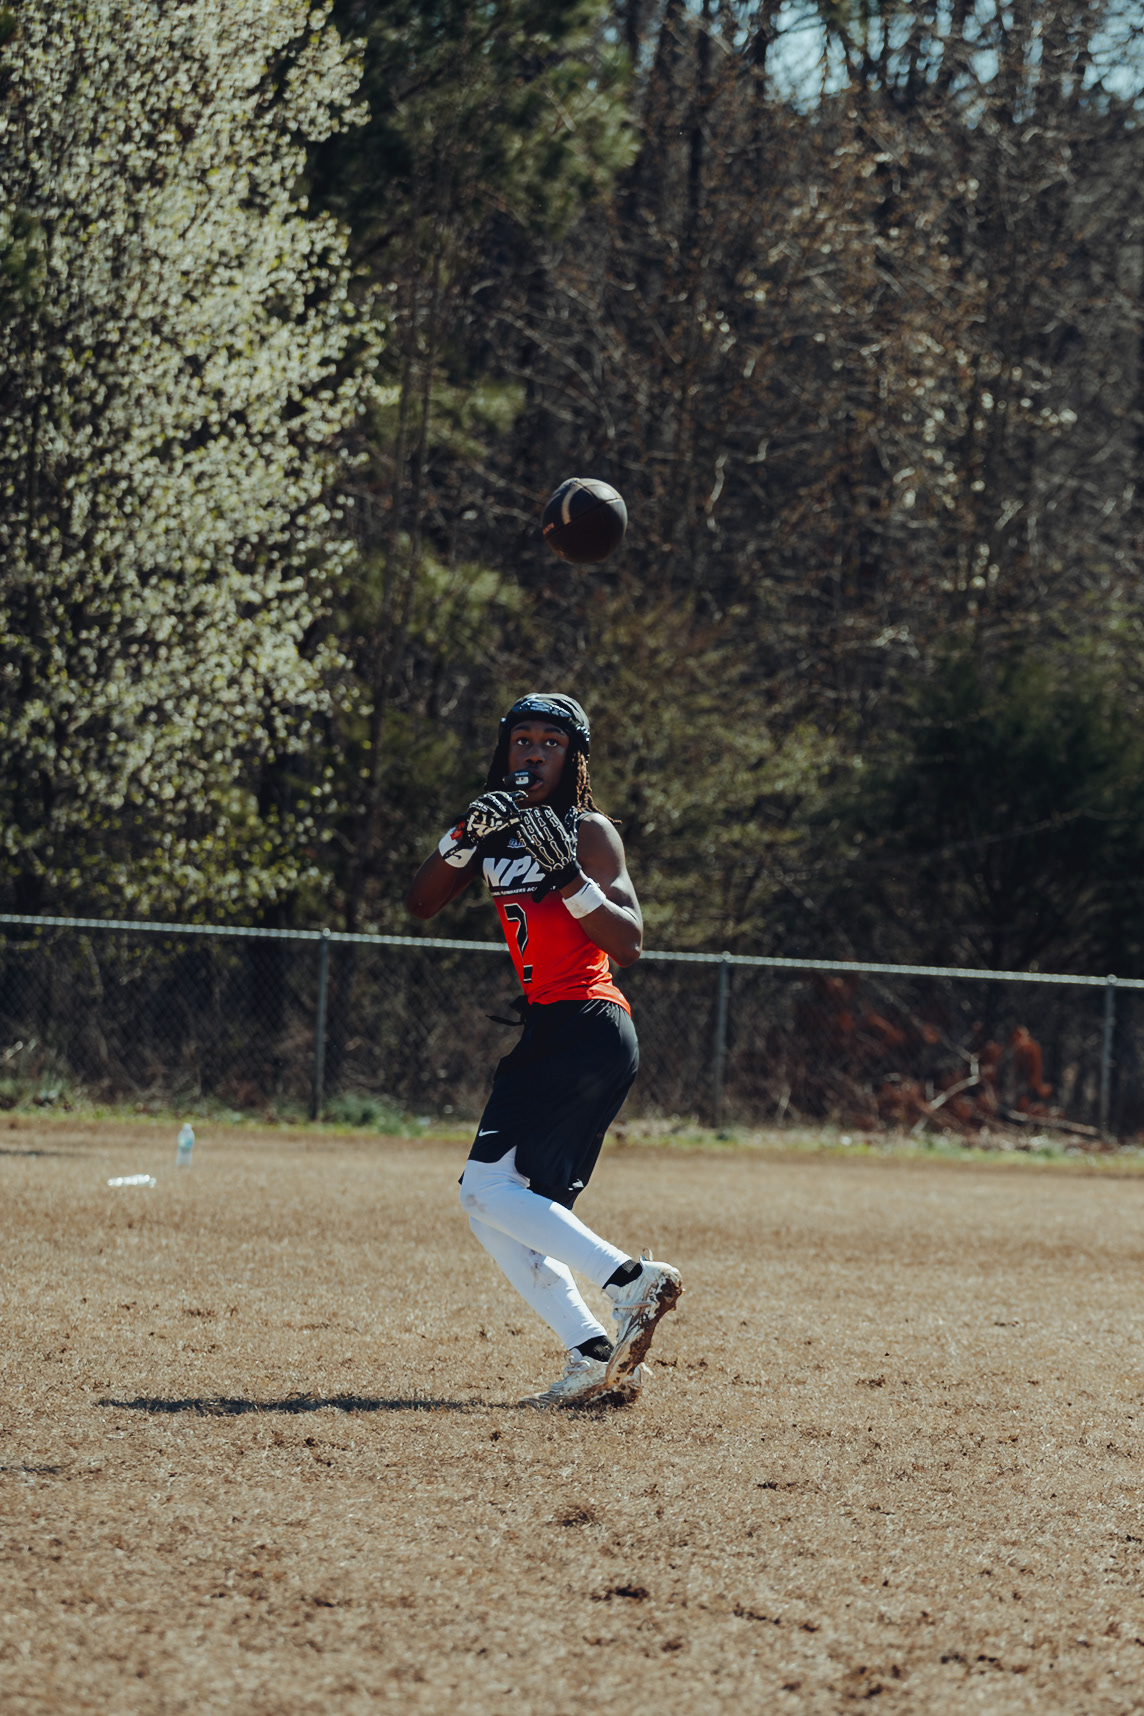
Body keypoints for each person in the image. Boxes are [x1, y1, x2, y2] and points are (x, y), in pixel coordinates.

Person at [405, 692, 683, 1407]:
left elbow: (629, 942)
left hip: (588, 1022)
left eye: (550, 743)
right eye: (521, 739)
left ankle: (631, 1282)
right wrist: (463, 831)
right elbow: (421, 902)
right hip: (553, 1030)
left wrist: (569, 878)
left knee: (484, 1190)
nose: (533, 753)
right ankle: (591, 1354)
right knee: (494, 1206)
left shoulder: (589, 830)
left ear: (574, 759)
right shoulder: (491, 828)